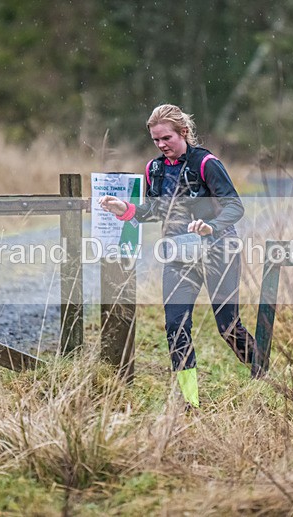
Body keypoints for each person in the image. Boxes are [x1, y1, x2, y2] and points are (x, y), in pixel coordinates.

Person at [98, 104, 255, 409]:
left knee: (227, 327)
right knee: (175, 325)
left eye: (166, 137)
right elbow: (154, 211)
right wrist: (125, 210)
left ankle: (262, 374)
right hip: (179, 256)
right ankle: (189, 401)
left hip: (218, 251)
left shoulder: (207, 163)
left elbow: (235, 207)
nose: (161, 145)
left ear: (183, 132)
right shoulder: (153, 169)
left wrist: (210, 225)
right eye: (155, 140)